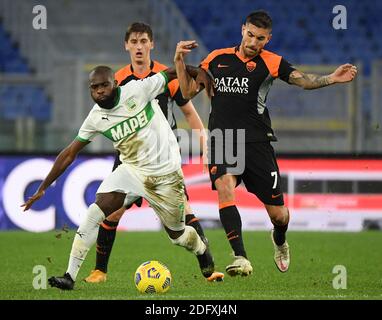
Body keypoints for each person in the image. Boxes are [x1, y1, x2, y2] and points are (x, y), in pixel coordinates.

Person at [174, 10, 357, 276]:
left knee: (279, 215)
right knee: (225, 187)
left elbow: (303, 81)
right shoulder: (216, 58)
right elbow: (188, 91)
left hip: (258, 143)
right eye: (250, 35)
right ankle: (240, 257)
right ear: (242, 30)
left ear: (267, 39)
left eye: (260, 38)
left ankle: (280, 239)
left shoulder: (271, 62)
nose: (253, 42)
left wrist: (331, 78)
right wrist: (179, 60)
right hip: (224, 139)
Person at [21, 65, 220, 290]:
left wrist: (198, 72)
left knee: (178, 236)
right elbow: (69, 153)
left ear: (115, 83)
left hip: (165, 174)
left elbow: (171, 73)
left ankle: (201, 249)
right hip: (131, 170)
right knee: (95, 212)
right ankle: (69, 276)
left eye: (104, 85)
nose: (99, 91)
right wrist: (43, 187)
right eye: (94, 87)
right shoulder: (96, 117)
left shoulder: (137, 90)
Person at [84, 22, 222, 284]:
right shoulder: (119, 79)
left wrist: (206, 146)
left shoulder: (164, 74)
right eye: (134, 42)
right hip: (129, 156)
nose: (138, 46)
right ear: (126, 45)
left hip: (162, 157)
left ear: (151, 44)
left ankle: (208, 267)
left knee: (185, 212)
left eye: (143, 41)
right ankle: (99, 271)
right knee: (112, 212)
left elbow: (189, 112)